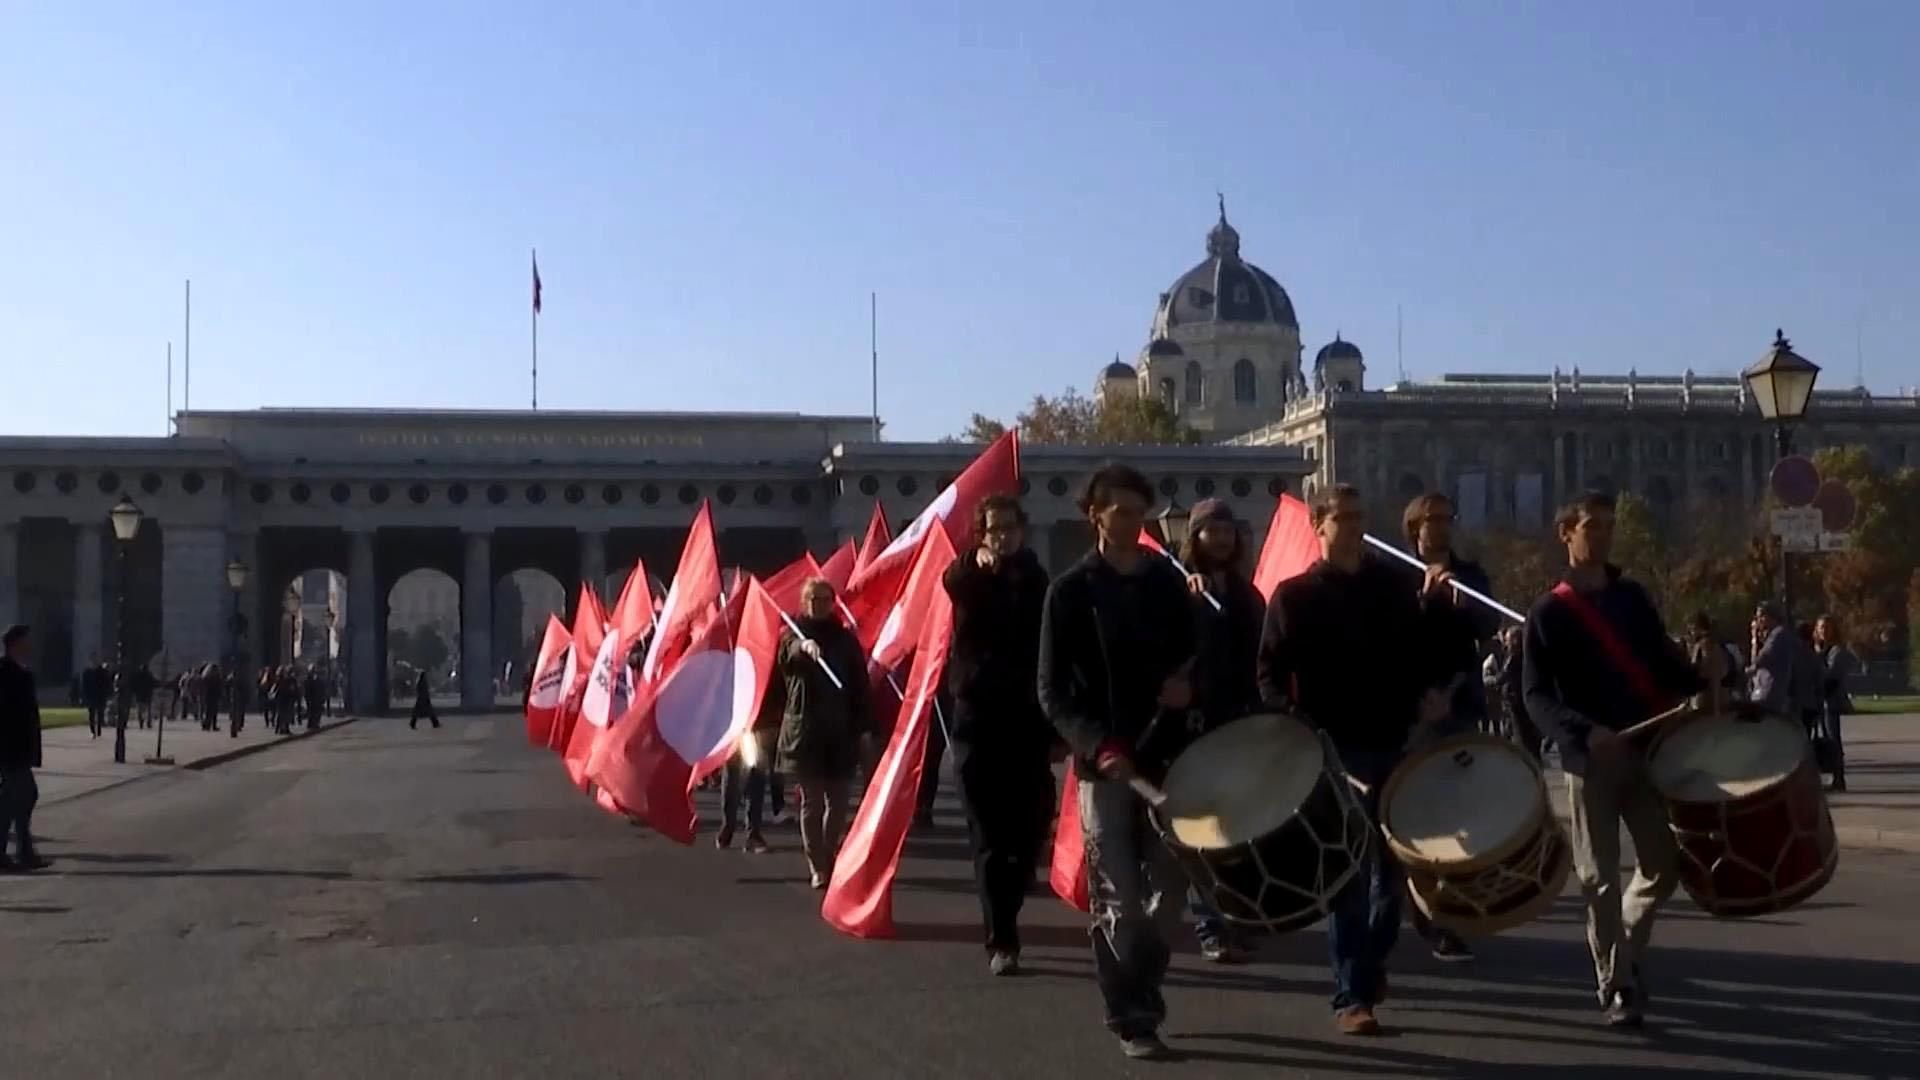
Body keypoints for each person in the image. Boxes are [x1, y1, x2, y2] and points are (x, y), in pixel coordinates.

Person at [1257, 484, 1453, 1037]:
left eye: (1360, 516)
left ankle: (1370, 962)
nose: (1354, 527)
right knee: (1348, 874)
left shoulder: (1393, 586)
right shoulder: (1294, 596)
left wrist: (1431, 680)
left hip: (1393, 736)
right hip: (1332, 747)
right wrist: (1294, 723)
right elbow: (1268, 675)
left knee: (1391, 877)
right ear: (1318, 527)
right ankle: (1351, 996)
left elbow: (1421, 653)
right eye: (1342, 518)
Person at [1523, 491, 1717, 1029]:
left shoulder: (1632, 596)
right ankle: (1617, 983)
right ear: (1566, 533)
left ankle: (1623, 953)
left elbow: (1659, 662)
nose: (1603, 535)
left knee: (1664, 863)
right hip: (1589, 762)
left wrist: (1703, 678)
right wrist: (1584, 731)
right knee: (1599, 879)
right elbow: (1536, 696)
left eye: (1609, 526)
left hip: (1645, 752)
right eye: (1592, 526)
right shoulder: (1549, 612)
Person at [1038, 463, 1196, 1061]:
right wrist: (1095, 743)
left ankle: (1144, 988)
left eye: (1140, 511)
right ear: (1095, 516)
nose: (1134, 523)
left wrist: (1189, 689)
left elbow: (1195, 656)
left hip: (1166, 764)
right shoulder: (1070, 592)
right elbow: (1052, 690)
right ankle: (1130, 1014)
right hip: (1104, 768)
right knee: (1118, 897)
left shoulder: (1166, 584)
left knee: (1172, 894)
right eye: (1122, 511)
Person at [942, 492, 1055, 976]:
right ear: (982, 534)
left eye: (1010, 528)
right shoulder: (970, 575)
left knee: (1031, 825)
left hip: (1027, 719)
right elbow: (953, 579)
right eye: (994, 530)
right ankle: (1001, 940)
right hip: (978, 720)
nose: (1003, 536)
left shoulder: (1037, 578)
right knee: (988, 834)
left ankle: (1017, 881)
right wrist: (975, 559)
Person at [1394, 491, 1499, 964]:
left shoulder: (1471, 572)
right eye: (1431, 519)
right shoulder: (1396, 574)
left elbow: (1487, 627)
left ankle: (1449, 912)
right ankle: (1426, 914)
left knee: (1457, 812)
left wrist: (1461, 603)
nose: (1440, 526)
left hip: (1457, 704)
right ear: (1414, 526)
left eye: (1446, 518)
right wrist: (1423, 600)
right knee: (1417, 812)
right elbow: (1388, 637)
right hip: (1412, 708)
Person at [1162, 498, 1264, 966]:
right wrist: (1185, 597)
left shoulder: (1248, 595)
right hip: (1195, 727)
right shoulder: (1180, 590)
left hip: (1240, 722)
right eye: (1211, 532)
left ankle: (1239, 918)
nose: (1221, 539)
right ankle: (1210, 925)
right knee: (1204, 831)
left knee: (1242, 830)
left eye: (1227, 531)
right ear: (1195, 538)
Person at [775, 578, 872, 890]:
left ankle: (829, 853)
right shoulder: (792, 634)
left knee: (839, 802)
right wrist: (803, 648)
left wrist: (866, 727)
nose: (818, 604)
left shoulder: (845, 640)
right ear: (804, 602)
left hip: (840, 732)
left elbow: (861, 686)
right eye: (812, 599)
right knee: (812, 803)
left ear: (833, 602)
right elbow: (788, 659)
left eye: (824, 599)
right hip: (806, 734)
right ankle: (817, 864)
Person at [0, 625, 50, 872]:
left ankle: (24, 851)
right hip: (9, 747)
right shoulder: (4, 672)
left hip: (20, 747)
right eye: (26, 641)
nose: (30, 646)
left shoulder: (23, 673)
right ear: (14, 644)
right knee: (24, 795)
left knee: (15, 798)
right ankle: (23, 851)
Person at [1813, 615, 1857, 793]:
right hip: (1821, 700)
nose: (1824, 631)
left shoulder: (1837, 651)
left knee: (1833, 740)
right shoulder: (1820, 650)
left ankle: (1839, 778)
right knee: (1828, 739)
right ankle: (1833, 776)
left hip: (1831, 701)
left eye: (1827, 628)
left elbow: (1832, 677)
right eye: (1821, 627)